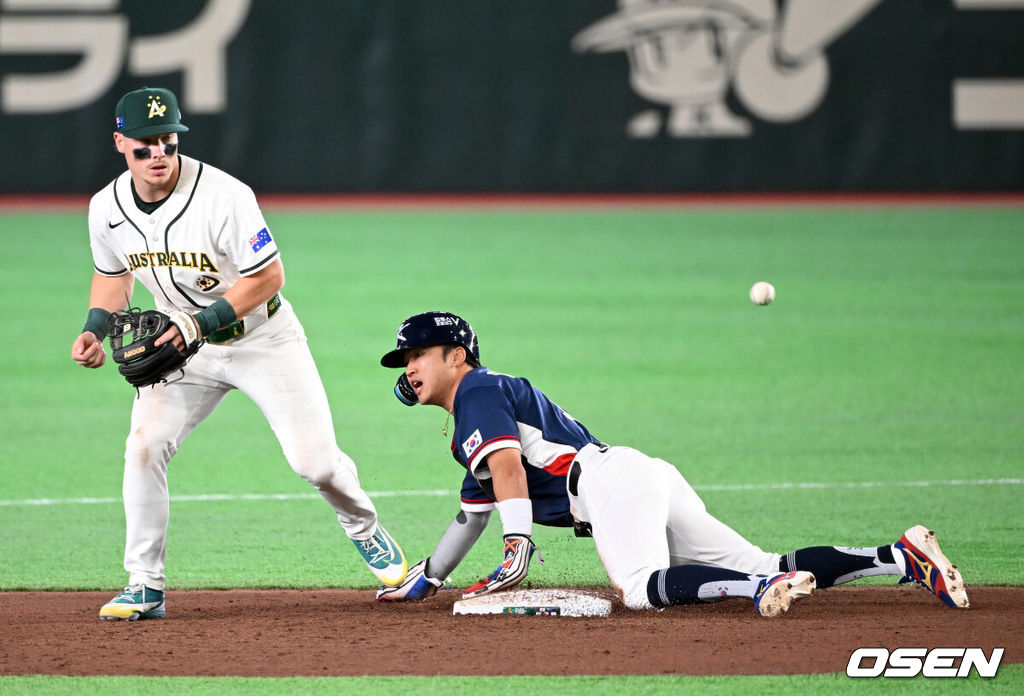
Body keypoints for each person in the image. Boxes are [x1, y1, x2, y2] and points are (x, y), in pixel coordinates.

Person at [374, 311, 970, 615]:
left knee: (639, 588)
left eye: (418, 354)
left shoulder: (477, 390)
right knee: (763, 558)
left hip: (610, 487)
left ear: (457, 356)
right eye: (404, 360)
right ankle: (901, 556)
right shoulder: (475, 423)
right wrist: (427, 579)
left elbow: (507, 470)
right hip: (637, 475)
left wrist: (519, 545)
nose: (409, 368)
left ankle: (764, 587)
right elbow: (471, 513)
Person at [70, 86, 407, 621]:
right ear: (120, 144)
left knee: (315, 464)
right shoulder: (105, 209)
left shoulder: (225, 196)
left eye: (167, 141)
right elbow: (112, 276)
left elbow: (269, 277)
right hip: (181, 352)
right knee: (143, 446)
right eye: (144, 145)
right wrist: (94, 327)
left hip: (263, 341)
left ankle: (364, 529)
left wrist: (199, 322)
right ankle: (144, 584)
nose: (158, 153)